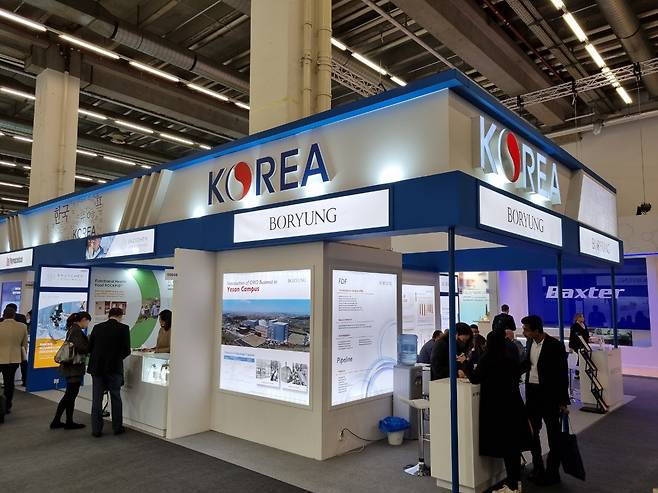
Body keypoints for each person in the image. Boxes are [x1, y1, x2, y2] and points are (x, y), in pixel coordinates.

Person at [461, 330, 531, 493]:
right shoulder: (510, 358)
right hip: (513, 406)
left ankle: (513, 485)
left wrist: (465, 364)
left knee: (506, 446)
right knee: (512, 446)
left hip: (497, 409)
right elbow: (518, 372)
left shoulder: (488, 359)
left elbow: (475, 378)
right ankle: (515, 482)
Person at [521, 315, 570, 486]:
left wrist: (563, 401)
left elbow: (563, 374)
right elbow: (527, 366)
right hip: (532, 394)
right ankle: (538, 468)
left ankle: (552, 471)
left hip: (550, 396)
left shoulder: (554, 346)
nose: (524, 332)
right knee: (533, 433)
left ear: (536, 330)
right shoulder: (529, 343)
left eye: (526, 329)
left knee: (553, 435)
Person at [87, 307, 131, 437]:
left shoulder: (97, 328)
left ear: (109, 315)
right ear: (120, 316)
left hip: (97, 368)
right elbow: (126, 350)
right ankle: (117, 427)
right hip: (114, 368)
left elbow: (90, 348)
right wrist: (117, 358)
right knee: (116, 397)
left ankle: (96, 429)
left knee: (97, 399)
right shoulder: (123, 328)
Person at [50, 312, 91, 430]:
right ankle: (65, 421)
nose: (87, 324)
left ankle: (62, 420)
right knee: (70, 395)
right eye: (87, 321)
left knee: (69, 395)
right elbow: (82, 348)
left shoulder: (72, 329)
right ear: (83, 319)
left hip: (70, 367)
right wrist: (89, 343)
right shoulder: (77, 331)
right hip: (74, 367)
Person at [0, 306, 28, 414]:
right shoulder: (22, 327)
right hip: (14, 359)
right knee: (9, 383)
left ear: (3, 314)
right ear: (14, 315)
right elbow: (24, 345)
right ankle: (7, 406)